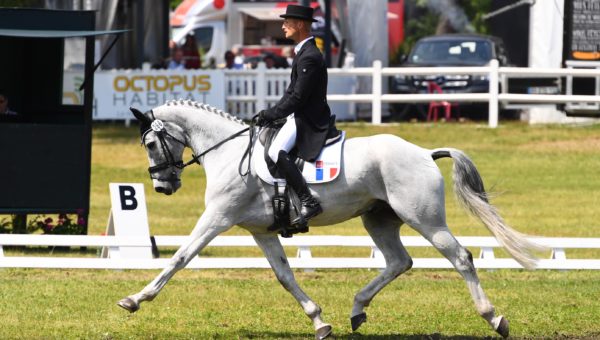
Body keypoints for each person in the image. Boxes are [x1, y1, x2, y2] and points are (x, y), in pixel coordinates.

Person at [255, 4, 336, 227]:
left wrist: (272, 114)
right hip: (298, 115)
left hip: (308, 119)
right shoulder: (303, 53)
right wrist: (272, 114)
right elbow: (291, 93)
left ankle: (308, 201)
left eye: (286, 23)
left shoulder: (309, 56)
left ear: (299, 24)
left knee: (275, 151)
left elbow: (298, 98)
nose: (283, 27)